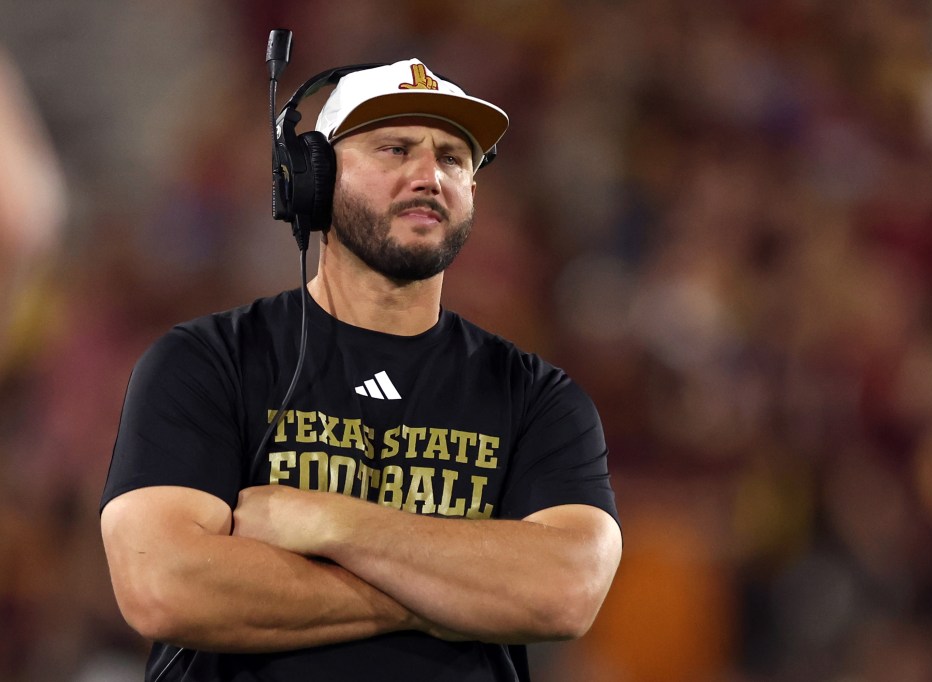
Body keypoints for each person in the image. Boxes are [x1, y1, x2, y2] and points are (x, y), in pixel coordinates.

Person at [99, 57, 622, 681]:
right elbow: (163, 585)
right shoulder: (205, 362)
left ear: (473, 192)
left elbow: (565, 590)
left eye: (453, 158)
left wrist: (327, 522)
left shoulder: (538, 397)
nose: (428, 175)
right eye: (394, 149)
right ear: (313, 179)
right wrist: (450, 595)